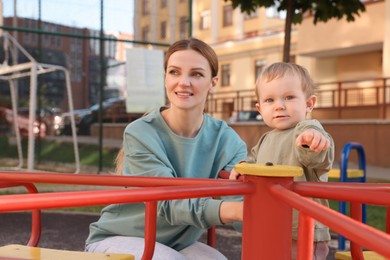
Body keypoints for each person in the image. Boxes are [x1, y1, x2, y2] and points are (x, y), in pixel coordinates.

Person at [85, 38, 247, 260]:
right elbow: (168, 202)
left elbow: (241, 204)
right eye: (174, 72)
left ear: (213, 81)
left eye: (196, 74)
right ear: (165, 78)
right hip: (117, 238)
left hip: (177, 244)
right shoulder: (141, 133)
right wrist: (233, 211)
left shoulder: (227, 140)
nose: (183, 82)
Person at [231, 62, 334, 259]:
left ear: (309, 103)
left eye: (289, 97)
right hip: (272, 223)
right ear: (260, 109)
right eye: (270, 100)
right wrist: (245, 168)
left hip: (303, 229)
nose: (279, 105)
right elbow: (257, 164)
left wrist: (313, 140)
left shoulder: (306, 128)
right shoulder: (266, 138)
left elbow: (319, 157)